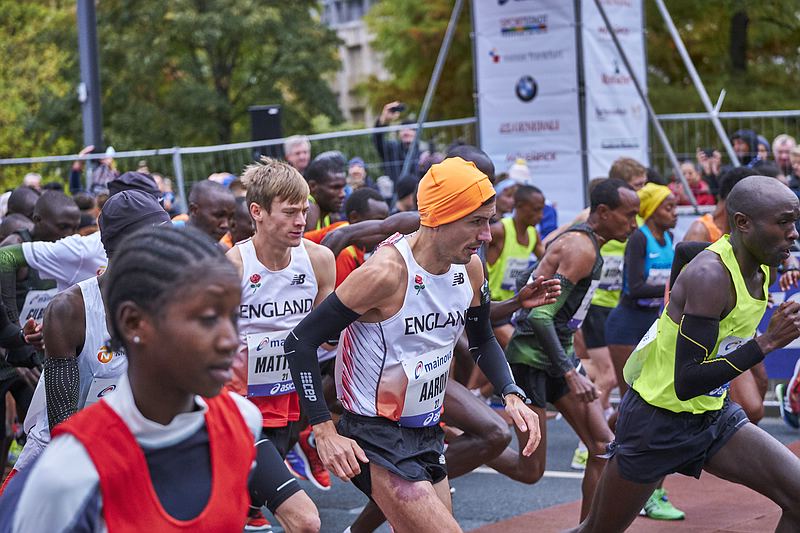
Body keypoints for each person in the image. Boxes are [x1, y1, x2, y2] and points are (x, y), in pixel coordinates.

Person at [0, 226, 320, 533]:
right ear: (134, 322)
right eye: (206, 319)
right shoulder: (69, 470)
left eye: (233, 316)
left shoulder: (241, 421)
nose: (229, 340)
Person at [284, 157, 541, 532]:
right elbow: (300, 341)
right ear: (439, 218)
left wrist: (510, 392)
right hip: (373, 434)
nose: (487, 235)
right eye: (476, 221)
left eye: (489, 220)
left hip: (426, 430)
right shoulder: (385, 273)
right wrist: (323, 430)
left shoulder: (469, 268)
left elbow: (483, 337)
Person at [574, 175, 800, 532]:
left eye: (795, 222)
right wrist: (766, 343)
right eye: (784, 222)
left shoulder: (761, 260)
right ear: (742, 223)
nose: (794, 233)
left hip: (712, 416)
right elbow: (687, 382)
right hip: (657, 421)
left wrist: (673, 309)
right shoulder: (710, 276)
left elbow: (683, 252)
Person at [0, 190, 171, 497]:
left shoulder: (170, 301)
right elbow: (64, 428)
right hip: (59, 466)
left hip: (130, 457)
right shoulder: (70, 309)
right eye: (161, 241)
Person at [501, 178, 639, 521]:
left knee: (605, 448)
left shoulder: (580, 238)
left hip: (556, 355)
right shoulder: (582, 248)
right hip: (532, 360)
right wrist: (569, 370)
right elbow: (539, 317)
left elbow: (532, 280)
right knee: (529, 470)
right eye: (629, 215)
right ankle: (476, 440)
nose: (634, 224)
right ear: (604, 213)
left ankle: (587, 530)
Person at [226, 157, 335, 529]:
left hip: (292, 406)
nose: (301, 221)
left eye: (304, 211)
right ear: (256, 212)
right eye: (289, 212)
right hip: (239, 410)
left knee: (242, 506)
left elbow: (325, 339)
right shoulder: (235, 266)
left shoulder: (319, 261)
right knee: (304, 520)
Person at [603, 183, 683, 520]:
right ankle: (646, 493)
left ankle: (597, 436)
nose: (674, 212)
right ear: (651, 210)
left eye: (676, 206)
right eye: (667, 207)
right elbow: (634, 287)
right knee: (641, 409)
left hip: (656, 331)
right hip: (626, 328)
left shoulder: (671, 241)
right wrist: (676, 287)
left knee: (639, 409)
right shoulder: (640, 239)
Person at [486, 185, 546, 348]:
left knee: (488, 366)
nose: (540, 216)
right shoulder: (499, 231)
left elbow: (549, 259)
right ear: (519, 206)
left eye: (542, 210)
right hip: (490, 308)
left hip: (510, 307)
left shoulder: (533, 235)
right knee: (522, 347)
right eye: (536, 210)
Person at [373, 101, 418, 183]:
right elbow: (377, 140)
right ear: (399, 133)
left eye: (410, 129)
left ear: (417, 133)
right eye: (403, 129)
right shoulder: (392, 149)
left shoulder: (423, 153)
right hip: (396, 193)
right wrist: (383, 121)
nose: (406, 132)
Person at [305, 151, 347, 231]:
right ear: (313, 186)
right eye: (335, 188)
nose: (343, 194)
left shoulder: (328, 214)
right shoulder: (309, 209)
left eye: (343, 187)